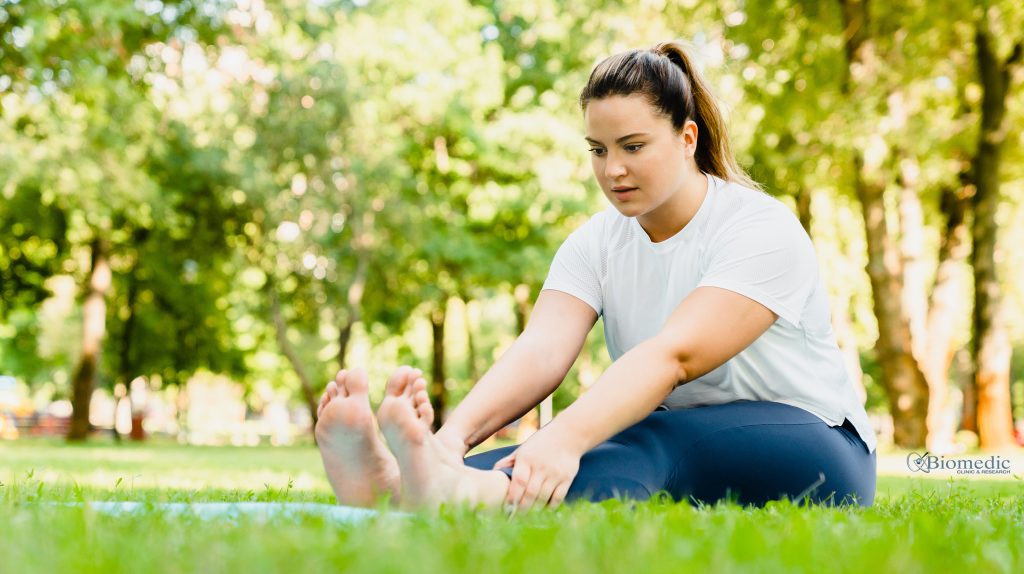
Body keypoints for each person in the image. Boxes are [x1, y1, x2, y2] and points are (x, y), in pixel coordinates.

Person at [314, 41, 877, 512]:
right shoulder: (597, 241)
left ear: (687, 139)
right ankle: (400, 487)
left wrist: (563, 436)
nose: (613, 170)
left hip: (818, 445)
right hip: (687, 434)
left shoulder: (758, 227)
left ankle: (463, 494)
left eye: (633, 147)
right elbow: (540, 351)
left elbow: (672, 358)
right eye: (598, 149)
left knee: (631, 438)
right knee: (552, 453)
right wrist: (448, 442)